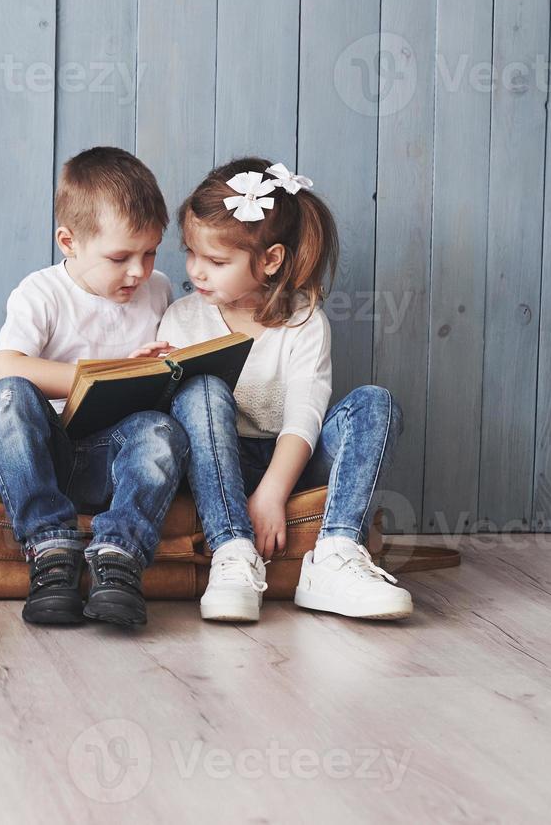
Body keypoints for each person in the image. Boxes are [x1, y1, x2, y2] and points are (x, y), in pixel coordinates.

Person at [162, 157, 412, 623]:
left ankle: (336, 553)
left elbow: (305, 415)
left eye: (216, 261)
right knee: (201, 390)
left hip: (290, 460)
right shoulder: (183, 317)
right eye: (191, 254)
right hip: (215, 464)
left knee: (375, 403)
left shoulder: (304, 323)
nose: (197, 271)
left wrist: (273, 491)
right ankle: (232, 551)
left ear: (271, 259)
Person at [0, 147, 189, 628]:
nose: (138, 270)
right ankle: (50, 549)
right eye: (120, 257)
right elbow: (5, 366)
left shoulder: (158, 290)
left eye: (151, 251)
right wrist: (103, 372)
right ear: (68, 241)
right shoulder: (42, 292)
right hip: (45, 456)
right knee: (6, 396)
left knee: (160, 429)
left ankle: (120, 555)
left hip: (113, 462)